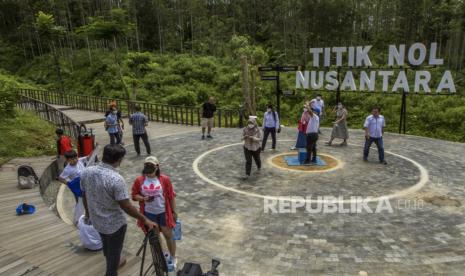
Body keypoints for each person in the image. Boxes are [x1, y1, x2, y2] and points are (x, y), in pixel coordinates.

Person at [81, 144, 157, 276]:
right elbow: (126, 205)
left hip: (97, 220)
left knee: (106, 245)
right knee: (113, 256)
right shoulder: (116, 179)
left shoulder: (87, 172)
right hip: (114, 225)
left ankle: (115, 260)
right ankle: (112, 269)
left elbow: (84, 193)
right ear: (119, 160)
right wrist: (145, 219)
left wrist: (88, 212)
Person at [131, 156, 178, 267]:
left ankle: (173, 256)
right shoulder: (139, 180)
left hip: (163, 212)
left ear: (157, 167)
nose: (148, 168)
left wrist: (174, 212)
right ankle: (162, 255)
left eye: (151, 165)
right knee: (156, 237)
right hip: (149, 213)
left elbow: (171, 196)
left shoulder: (164, 179)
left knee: (168, 234)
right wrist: (143, 199)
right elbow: (134, 195)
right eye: (146, 165)